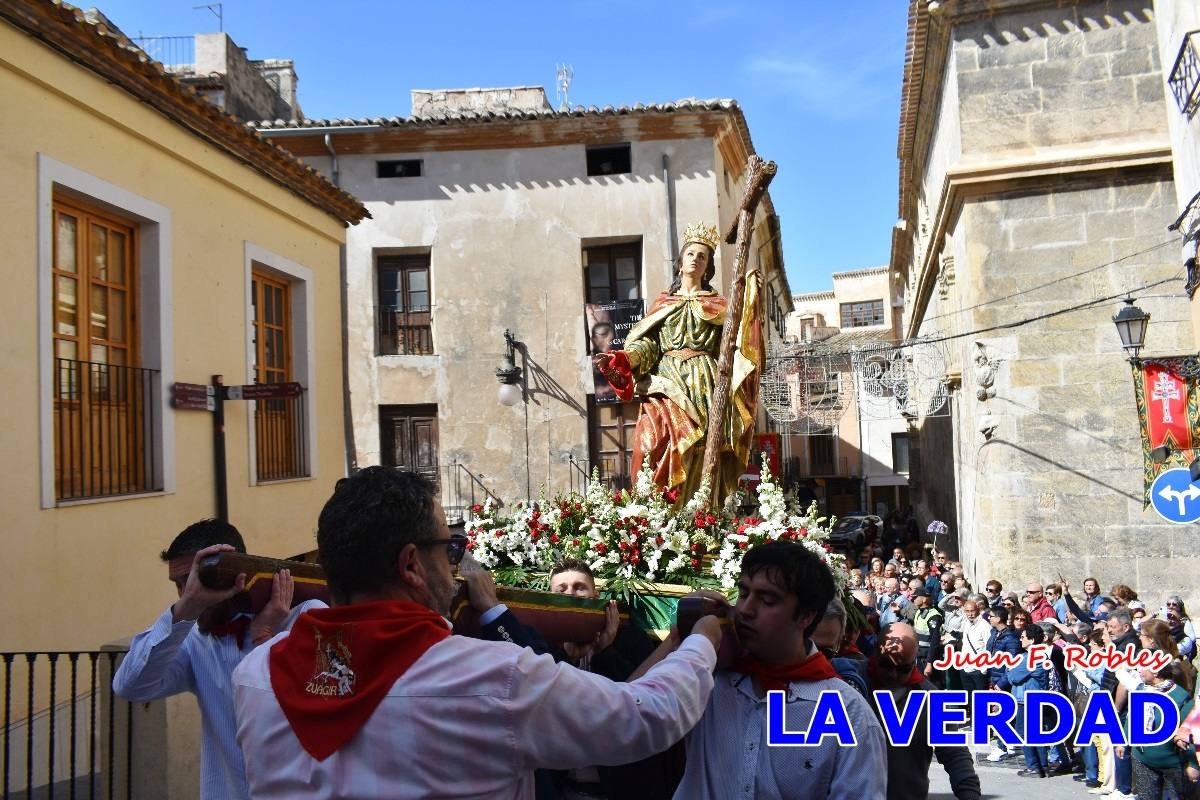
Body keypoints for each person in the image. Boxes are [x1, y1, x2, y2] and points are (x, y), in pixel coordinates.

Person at [232, 468, 723, 799]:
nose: (455, 566)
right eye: (449, 548)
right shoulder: (490, 680)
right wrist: (701, 637)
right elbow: (647, 718)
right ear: (411, 565)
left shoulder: (255, 676)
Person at [112, 519, 322, 800]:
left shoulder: (304, 616)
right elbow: (130, 686)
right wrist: (185, 609)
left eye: (195, 580)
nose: (189, 592)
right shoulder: (193, 640)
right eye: (180, 585)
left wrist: (265, 635)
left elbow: (309, 712)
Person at [668, 541, 888, 799]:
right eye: (743, 593)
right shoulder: (707, 678)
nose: (745, 610)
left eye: (767, 600)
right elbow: (627, 718)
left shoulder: (852, 716)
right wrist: (682, 638)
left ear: (805, 616)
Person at [593, 222, 762, 506]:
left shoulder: (719, 305)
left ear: (708, 268)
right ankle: (661, 514)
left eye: (703, 256)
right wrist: (625, 358)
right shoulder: (664, 303)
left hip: (706, 383)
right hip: (666, 383)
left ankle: (701, 516)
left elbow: (733, 346)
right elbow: (648, 345)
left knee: (701, 448)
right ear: (680, 262)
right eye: (691, 254)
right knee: (653, 445)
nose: (696, 259)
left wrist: (748, 304)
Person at [868, 623, 981, 800]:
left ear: (915, 660)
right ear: (876, 651)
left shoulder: (929, 697)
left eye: (903, 669)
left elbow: (954, 753)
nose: (893, 674)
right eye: (886, 665)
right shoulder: (852, 683)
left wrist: (970, 794)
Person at [1006, 624, 1051, 778]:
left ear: (1031, 640)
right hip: (1030, 698)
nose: (1020, 639)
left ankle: (1034, 766)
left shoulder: (1033, 657)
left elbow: (1013, 676)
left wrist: (1011, 670)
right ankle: (1041, 766)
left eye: (1023, 637)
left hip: (1026, 699)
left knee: (1025, 734)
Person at [1160, 595, 1197, 660]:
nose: (1171, 606)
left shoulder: (1185, 621)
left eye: (1174, 604)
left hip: (1182, 651)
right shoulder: (1165, 619)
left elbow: (1192, 638)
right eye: (1168, 604)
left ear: (1179, 607)